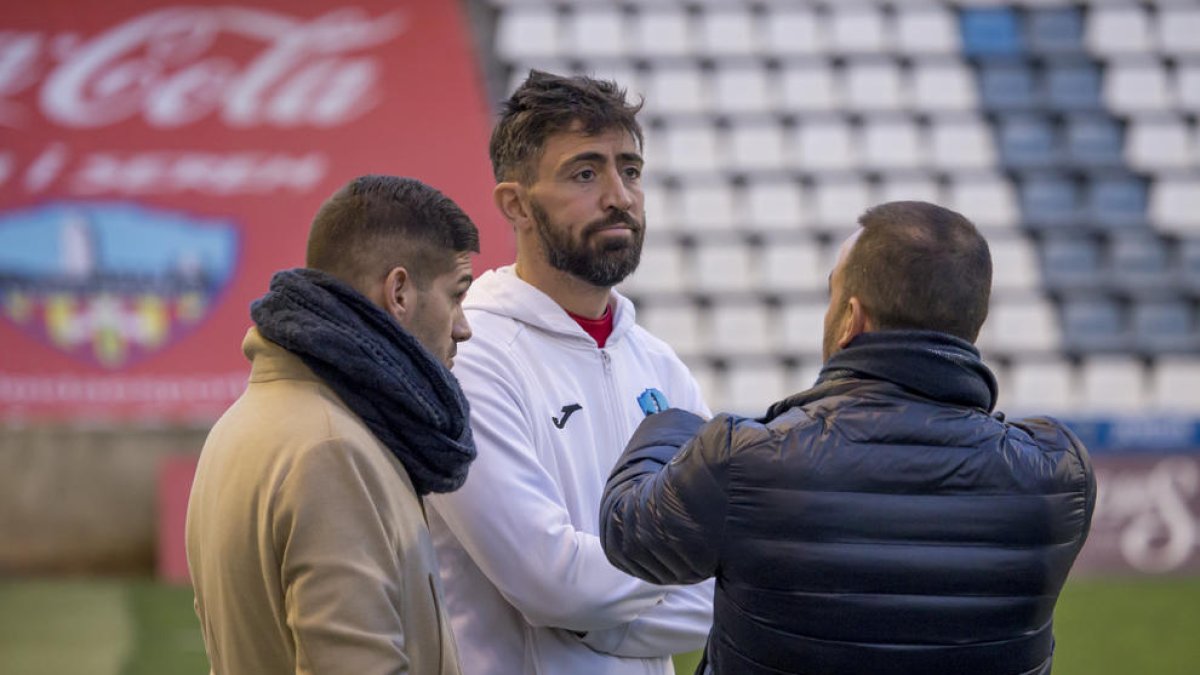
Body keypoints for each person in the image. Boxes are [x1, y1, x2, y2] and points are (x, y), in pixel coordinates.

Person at [600, 201, 1097, 675]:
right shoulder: (1058, 473)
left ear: (851, 320)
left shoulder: (746, 460)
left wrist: (667, 420)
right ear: (973, 323)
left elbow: (626, 533)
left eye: (832, 293)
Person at [425, 70, 713, 674]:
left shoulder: (660, 366)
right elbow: (550, 582)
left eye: (630, 170)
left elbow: (722, 588)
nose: (619, 197)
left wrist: (599, 625)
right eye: (585, 173)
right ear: (516, 205)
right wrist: (675, 567)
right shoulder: (469, 357)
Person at [186, 175, 479, 675]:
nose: (463, 327)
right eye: (456, 295)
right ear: (399, 292)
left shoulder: (240, 425)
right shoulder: (332, 449)